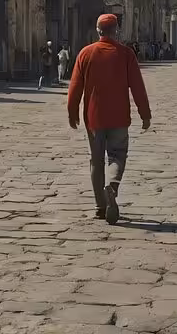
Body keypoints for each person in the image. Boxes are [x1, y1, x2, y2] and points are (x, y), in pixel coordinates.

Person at [67, 14, 151, 225]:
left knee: (96, 160)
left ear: (98, 31)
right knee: (117, 155)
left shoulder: (86, 53)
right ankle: (112, 186)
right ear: (117, 30)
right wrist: (145, 114)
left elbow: (75, 87)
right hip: (119, 116)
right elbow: (138, 88)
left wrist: (72, 112)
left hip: (94, 118)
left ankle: (100, 207)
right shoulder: (126, 54)